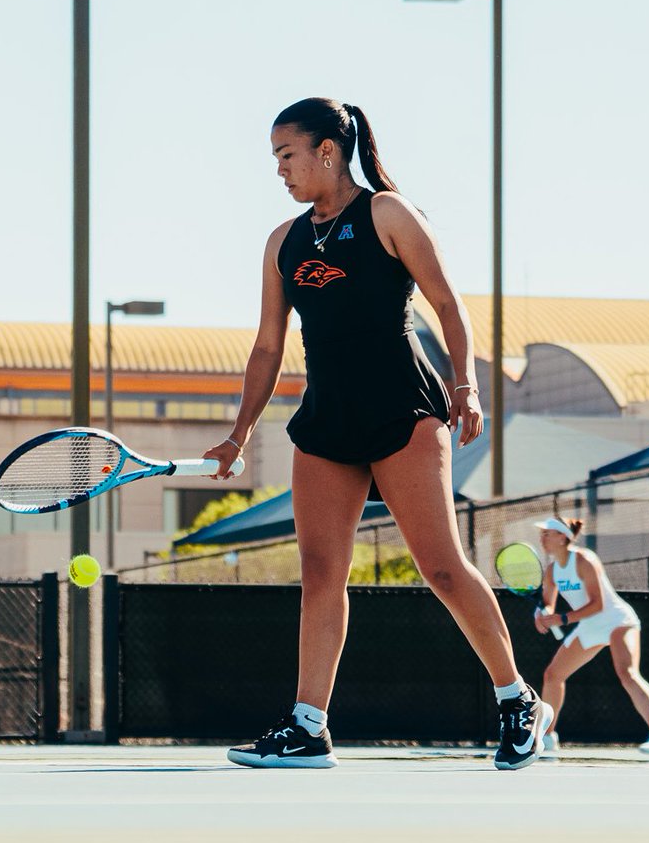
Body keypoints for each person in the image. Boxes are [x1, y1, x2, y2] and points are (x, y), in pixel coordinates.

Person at [207, 97, 552, 771]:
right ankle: (307, 726)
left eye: (287, 155)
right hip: (327, 419)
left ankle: (517, 699)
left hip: (403, 411)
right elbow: (268, 347)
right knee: (319, 573)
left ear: (327, 151)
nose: (279, 170)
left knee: (442, 566)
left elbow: (447, 304)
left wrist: (465, 386)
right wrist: (238, 434)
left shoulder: (388, 214)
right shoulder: (282, 242)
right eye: (275, 158)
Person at [533, 517, 649, 755]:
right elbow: (548, 604)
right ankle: (547, 737)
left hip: (617, 620)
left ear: (562, 537)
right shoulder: (552, 571)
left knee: (627, 673)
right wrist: (543, 614)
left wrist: (563, 619)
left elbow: (598, 604)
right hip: (589, 626)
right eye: (542, 534)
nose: (542, 538)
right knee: (553, 675)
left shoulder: (584, 560)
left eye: (548, 533)